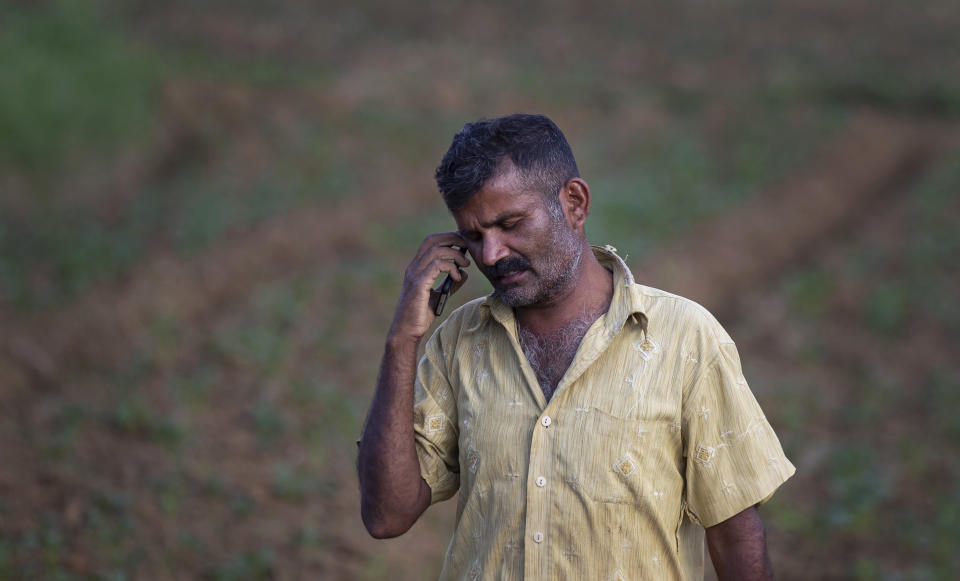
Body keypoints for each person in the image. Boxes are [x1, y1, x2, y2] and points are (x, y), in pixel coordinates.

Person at [357, 113, 795, 580]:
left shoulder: (687, 340)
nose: (491, 254)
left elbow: (734, 534)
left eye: (510, 223)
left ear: (574, 203)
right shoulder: (458, 345)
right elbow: (387, 516)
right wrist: (401, 340)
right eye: (473, 235)